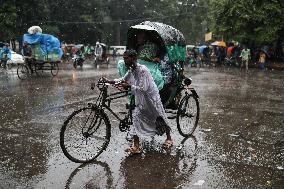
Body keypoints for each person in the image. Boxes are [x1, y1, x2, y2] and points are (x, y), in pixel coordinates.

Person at [104, 50, 173, 154]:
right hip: (141, 99)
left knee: (160, 116)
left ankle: (169, 138)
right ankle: (136, 146)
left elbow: (144, 88)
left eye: (126, 58)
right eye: (124, 58)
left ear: (133, 59)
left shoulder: (143, 70)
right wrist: (109, 81)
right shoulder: (132, 69)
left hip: (151, 98)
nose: (124, 60)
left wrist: (129, 86)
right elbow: (123, 79)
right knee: (136, 117)